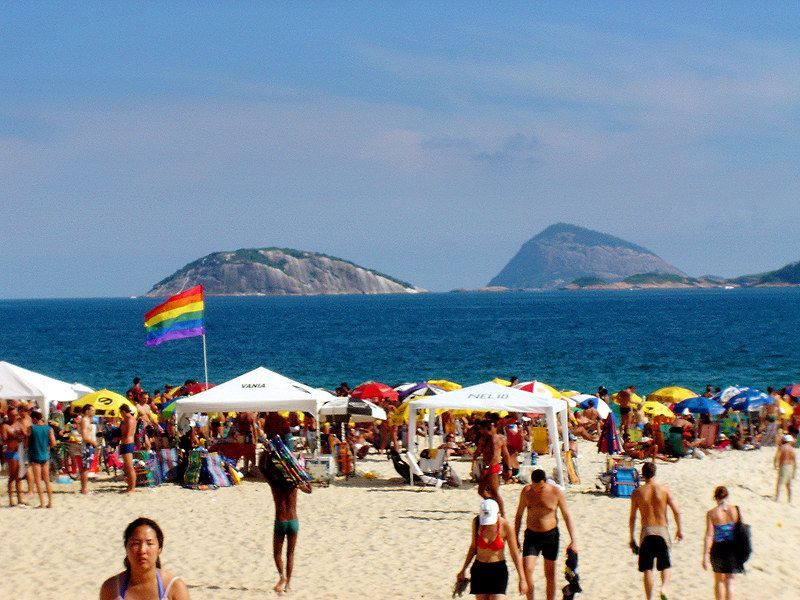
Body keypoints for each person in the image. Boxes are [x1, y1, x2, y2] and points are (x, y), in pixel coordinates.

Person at [514, 469, 577, 600]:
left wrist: (573, 540)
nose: (537, 490)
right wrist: (515, 536)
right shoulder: (526, 492)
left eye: (540, 487)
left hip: (550, 536)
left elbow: (566, 516)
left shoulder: (555, 492)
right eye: (534, 486)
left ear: (545, 482)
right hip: (531, 535)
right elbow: (519, 515)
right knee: (527, 569)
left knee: (549, 573)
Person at [260, 450, 313, 595]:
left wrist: (265, 453)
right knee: (290, 553)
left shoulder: (274, 483)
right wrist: (299, 471)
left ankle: (281, 577)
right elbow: (310, 489)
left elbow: (261, 468)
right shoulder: (294, 483)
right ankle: (288, 584)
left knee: (277, 553)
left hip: (280, 521)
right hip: (293, 521)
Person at [629, 462, 683, 600]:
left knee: (647, 568)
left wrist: (631, 538)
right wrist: (679, 530)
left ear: (643, 474)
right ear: (655, 473)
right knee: (665, 565)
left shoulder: (637, 492)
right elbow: (677, 511)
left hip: (646, 532)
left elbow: (632, 517)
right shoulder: (664, 490)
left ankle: (649, 598)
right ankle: (664, 588)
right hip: (662, 531)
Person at [99, 517, 189, 599]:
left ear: (159, 548)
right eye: (136, 543)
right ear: (126, 547)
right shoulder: (111, 588)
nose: (142, 550)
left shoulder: (174, 587)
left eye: (149, 543)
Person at [457, 498, 528, 599]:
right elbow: (473, 547)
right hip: (479, 569)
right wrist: (463, 569)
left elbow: (514, 553)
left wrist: (522, 578)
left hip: (498, 570)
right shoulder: (477, 522)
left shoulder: (506, 526)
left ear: (498, 513)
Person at [703, 486, 742, 600]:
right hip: (732, 547)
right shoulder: (735, 510)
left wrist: (705, 555)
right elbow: (740, 530)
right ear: (727, 496)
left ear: (715, 498)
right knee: (730, 580)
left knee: (719, 580)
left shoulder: (711, 513)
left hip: (718, 548)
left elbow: (709, 535)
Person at [473, 418, 511, 517]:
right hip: (486, 466)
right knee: (481, 491)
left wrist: (509, 468)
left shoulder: (496, 439)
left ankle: (502, 514)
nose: (480, 431)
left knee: (494, 492)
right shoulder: (484, 438)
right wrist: (474, 457)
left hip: (493, 467)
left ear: (486, 428)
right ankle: (494, 505)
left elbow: (499, 455)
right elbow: (479, 451)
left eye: (481, 429)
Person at [27, 410, 55, 508]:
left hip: (35, 455)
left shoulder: (31, 428)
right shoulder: (49, 428)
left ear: (34, 419)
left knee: (38, 480)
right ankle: (50, 502)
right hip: (45, 455)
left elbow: (27, 443)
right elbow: (53, 443)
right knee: (47, 480)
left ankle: (42, 503)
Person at [1, 405, 25, 506]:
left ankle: (20, 499)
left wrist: (22, 435)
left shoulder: (19, 424)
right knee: (12, 476)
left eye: (15, 415)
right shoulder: (5, 426)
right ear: (9, 415)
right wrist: (15, 437)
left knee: (19, 476)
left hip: (19, 451)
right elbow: (4, 440)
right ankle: (11, 499)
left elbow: (25, 434)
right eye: (12, 415)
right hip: (11, 452)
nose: (14, 417)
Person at [80, 404, 98, 495]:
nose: (94, 412)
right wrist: (93, 442)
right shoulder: (85, 420)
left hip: (89, 445)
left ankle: (84, 488)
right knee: (85, 468)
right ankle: (84, 489)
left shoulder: (88, 420)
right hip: (87, 445)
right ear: (87, 411)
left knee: (87, 467)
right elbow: (84, 436)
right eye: (92, 410)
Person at [119, 403, 137, 494]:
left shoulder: (130, 420)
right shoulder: (127, 420)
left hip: (128, 443)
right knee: (126, 467)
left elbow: (127, 434)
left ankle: (132, 487)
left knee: (129, 467)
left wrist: (118, 437)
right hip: (126, 443)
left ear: (123, 411)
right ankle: (130, 486)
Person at [774, 434, 796, 502]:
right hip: (790, 467)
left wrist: (775, 464)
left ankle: (777, 498)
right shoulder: (791, 449)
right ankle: (789, 499)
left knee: (779, 484)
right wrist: (794, 472)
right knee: (788, 484)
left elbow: (777, 457)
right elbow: (794, 461)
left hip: (783, 466)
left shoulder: (782, 447)